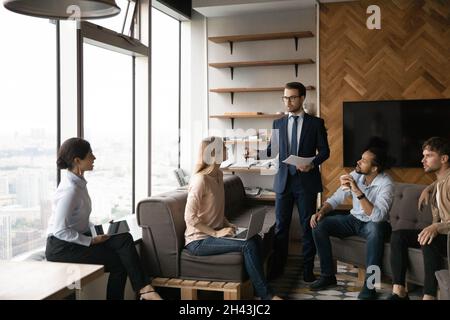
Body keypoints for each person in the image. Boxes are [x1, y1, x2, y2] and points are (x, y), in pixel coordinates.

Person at [45, 137, 161, 300]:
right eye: (90, 154)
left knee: (122, 236)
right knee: (119, 263)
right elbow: (59, 230)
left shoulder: (78, 184)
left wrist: (101, 228)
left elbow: (78, 221)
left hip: (75, 238)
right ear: (77, 161)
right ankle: (145, 290)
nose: (94, 158)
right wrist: (91, 241)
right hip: (62, 248)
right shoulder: (70, 190)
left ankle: (144, 289)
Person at [184, 136, 281, 300]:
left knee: (255, 238)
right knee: (248, 245)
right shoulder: (200, 180)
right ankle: (267, 296)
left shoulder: (219, 175)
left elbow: (214, 211)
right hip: (198, 240)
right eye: (224, 148)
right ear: (213, 154)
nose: (227, 150)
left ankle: (258, 288)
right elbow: (190, 218)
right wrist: (216, 234)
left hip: (214, 232)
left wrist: (227, 224)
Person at [309, 145, 394, 299]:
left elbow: (378, 217)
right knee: (320, 225)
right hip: (353, 220)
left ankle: (370, 286)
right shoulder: (355, 175)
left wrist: (358, 192)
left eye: (363, 161)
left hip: (376, 224)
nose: (358, 162)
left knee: (375, 230)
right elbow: (336, 198)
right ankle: (327, 275)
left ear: (374, 168)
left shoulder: (386, 184)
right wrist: (321, 211)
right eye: (360, 158)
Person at [265, 82, 330, 282]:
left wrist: (312, 163)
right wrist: (260, 149)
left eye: (292, 97)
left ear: (302, 98)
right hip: (283, 182)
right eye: (285, 97)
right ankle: (278, 268)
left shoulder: (316, 123)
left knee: (307, 226)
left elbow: (325, 151)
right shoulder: (278, 123)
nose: (288, 101)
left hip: (306, 183)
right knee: (281, 227)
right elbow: (273, 151)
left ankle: (308, 269)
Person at [387, 137, 450, 300]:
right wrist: (429, 188)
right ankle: (399, 291)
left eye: (428, 156)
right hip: (443, 234)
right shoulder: (440, 181)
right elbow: (440, 184)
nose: (423, 160)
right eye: (423, 156)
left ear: (443, 159)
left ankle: (429, 296)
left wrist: (436, 227)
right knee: (398, 235)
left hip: (447, 236)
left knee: (429, 239)